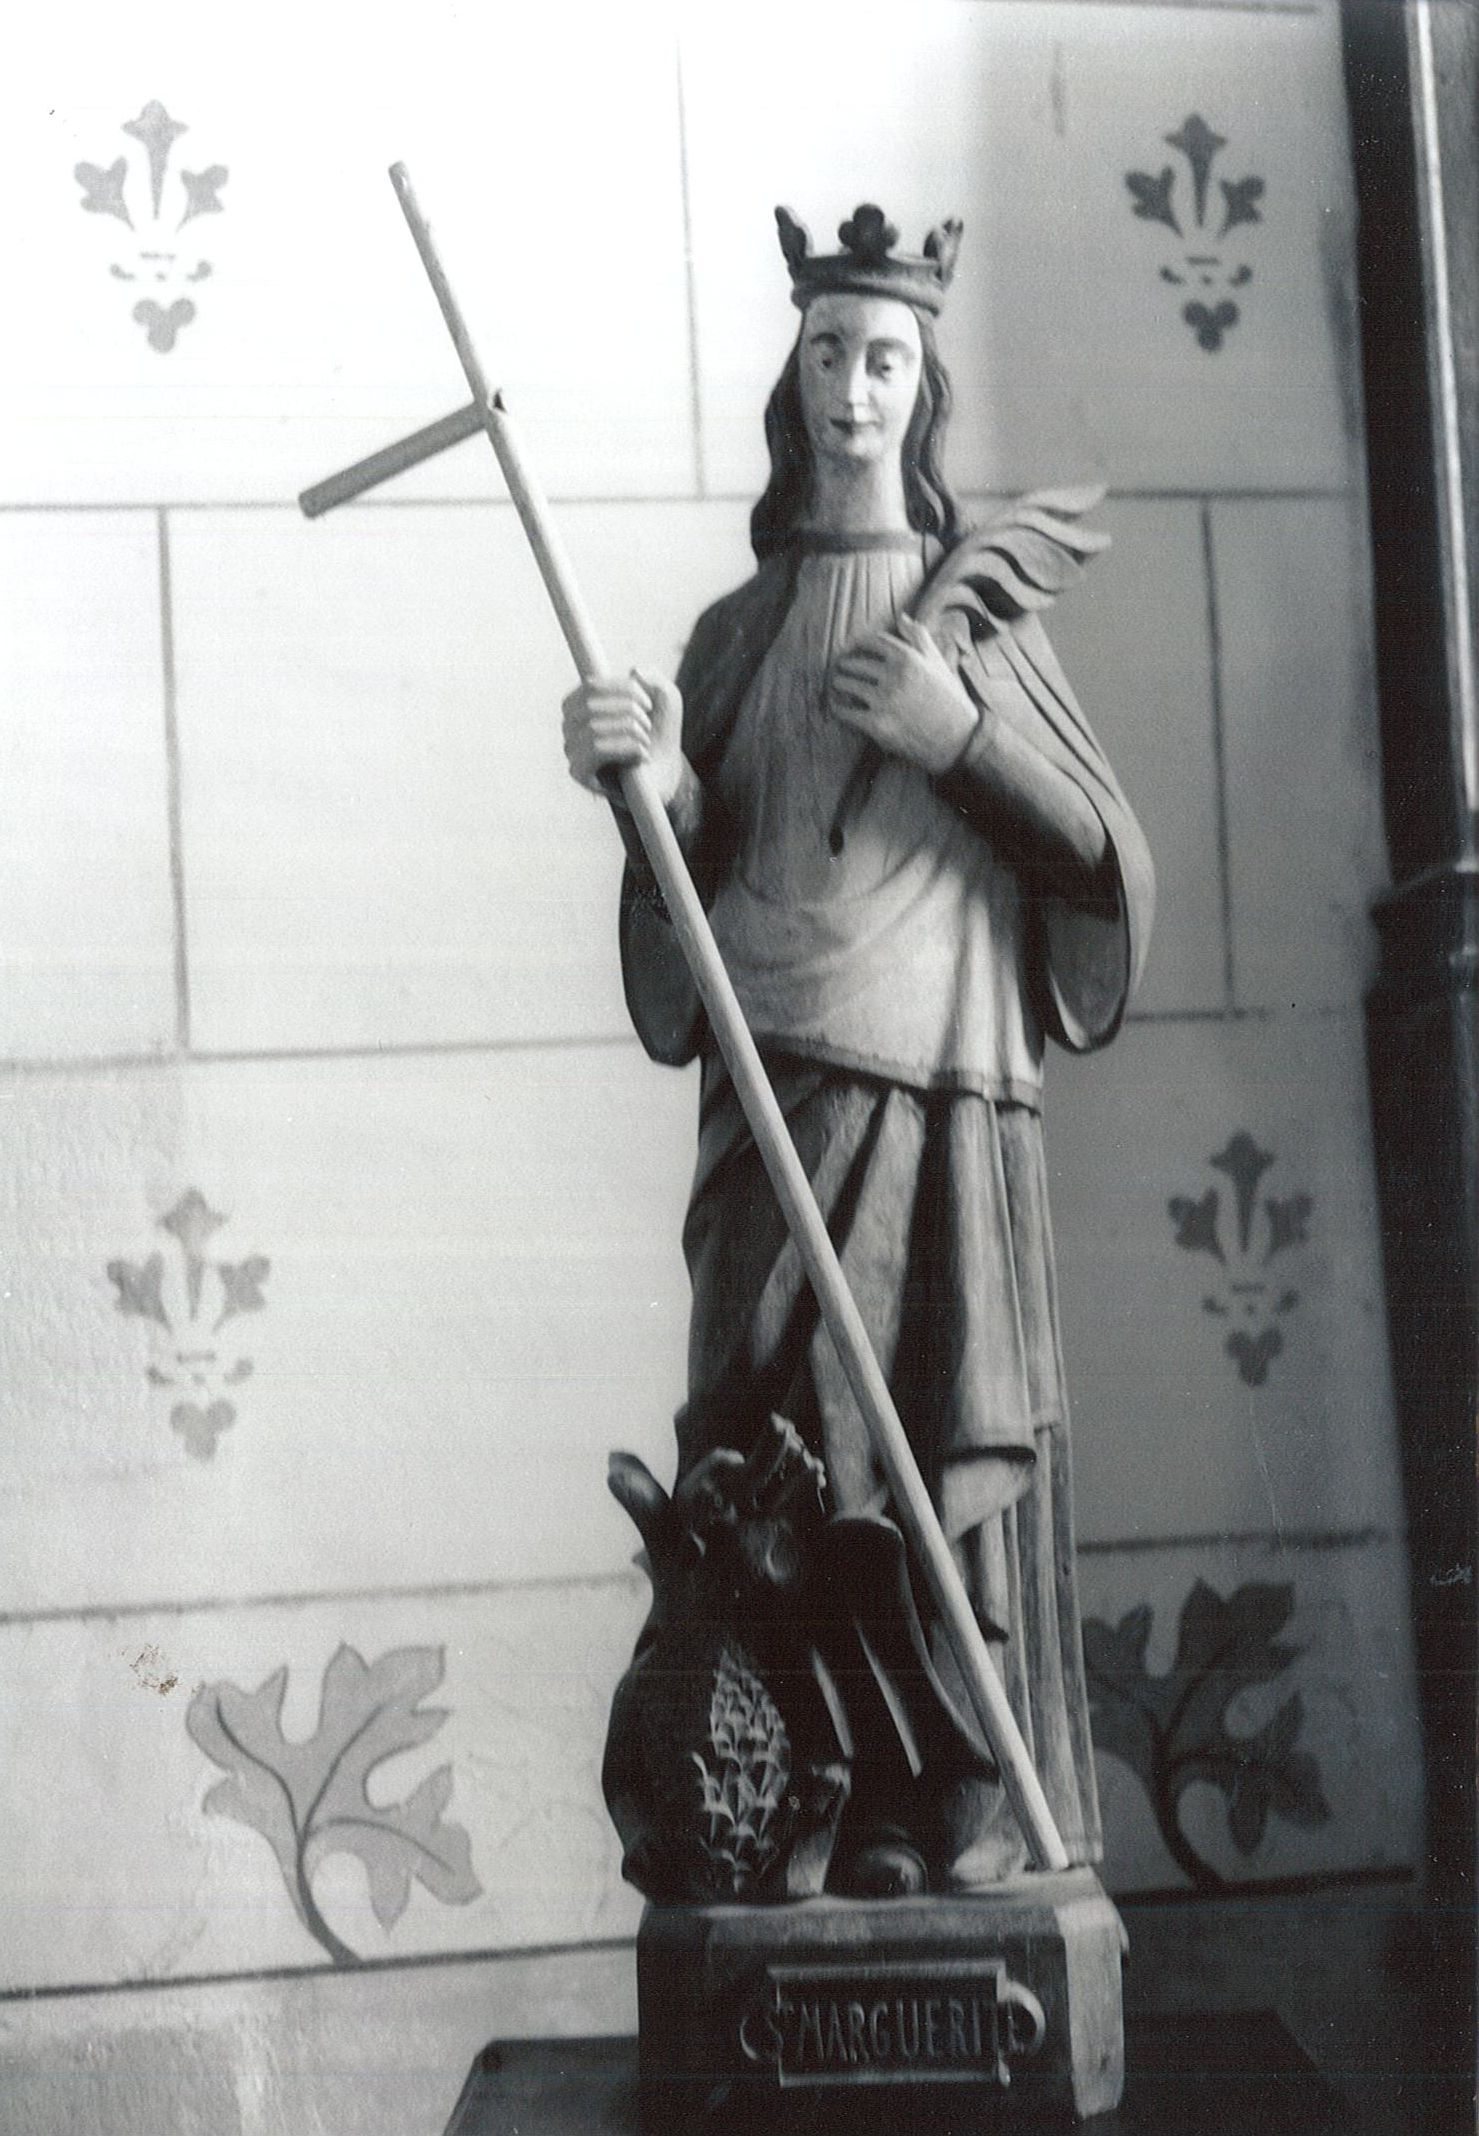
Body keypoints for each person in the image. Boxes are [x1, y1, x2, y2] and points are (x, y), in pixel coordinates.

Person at [564, 203, 1154, 1894]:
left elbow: (1106, 860)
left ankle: (928, 1807)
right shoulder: (736, 638)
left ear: (923, 382)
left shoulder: (978, 634)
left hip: (937, 1104)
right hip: (771, 1098)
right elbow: (702, 866)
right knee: (764, 1451)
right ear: (794, 372)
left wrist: (957, 734)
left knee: (917, 1462)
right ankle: (783, 1809)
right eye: (827, 351)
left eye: (883, 356)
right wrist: (649, 788)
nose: (852, 387)